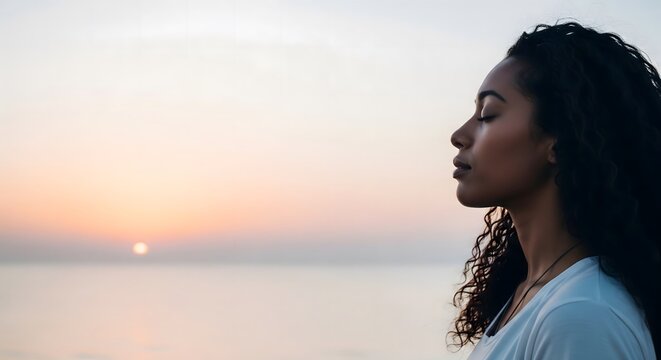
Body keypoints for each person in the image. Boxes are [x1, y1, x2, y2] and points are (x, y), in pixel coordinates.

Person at [448, 21, 660, 359]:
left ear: (558, 142)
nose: (459, 134)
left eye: (487, 114)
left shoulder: (581, 315)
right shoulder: (533, 296)